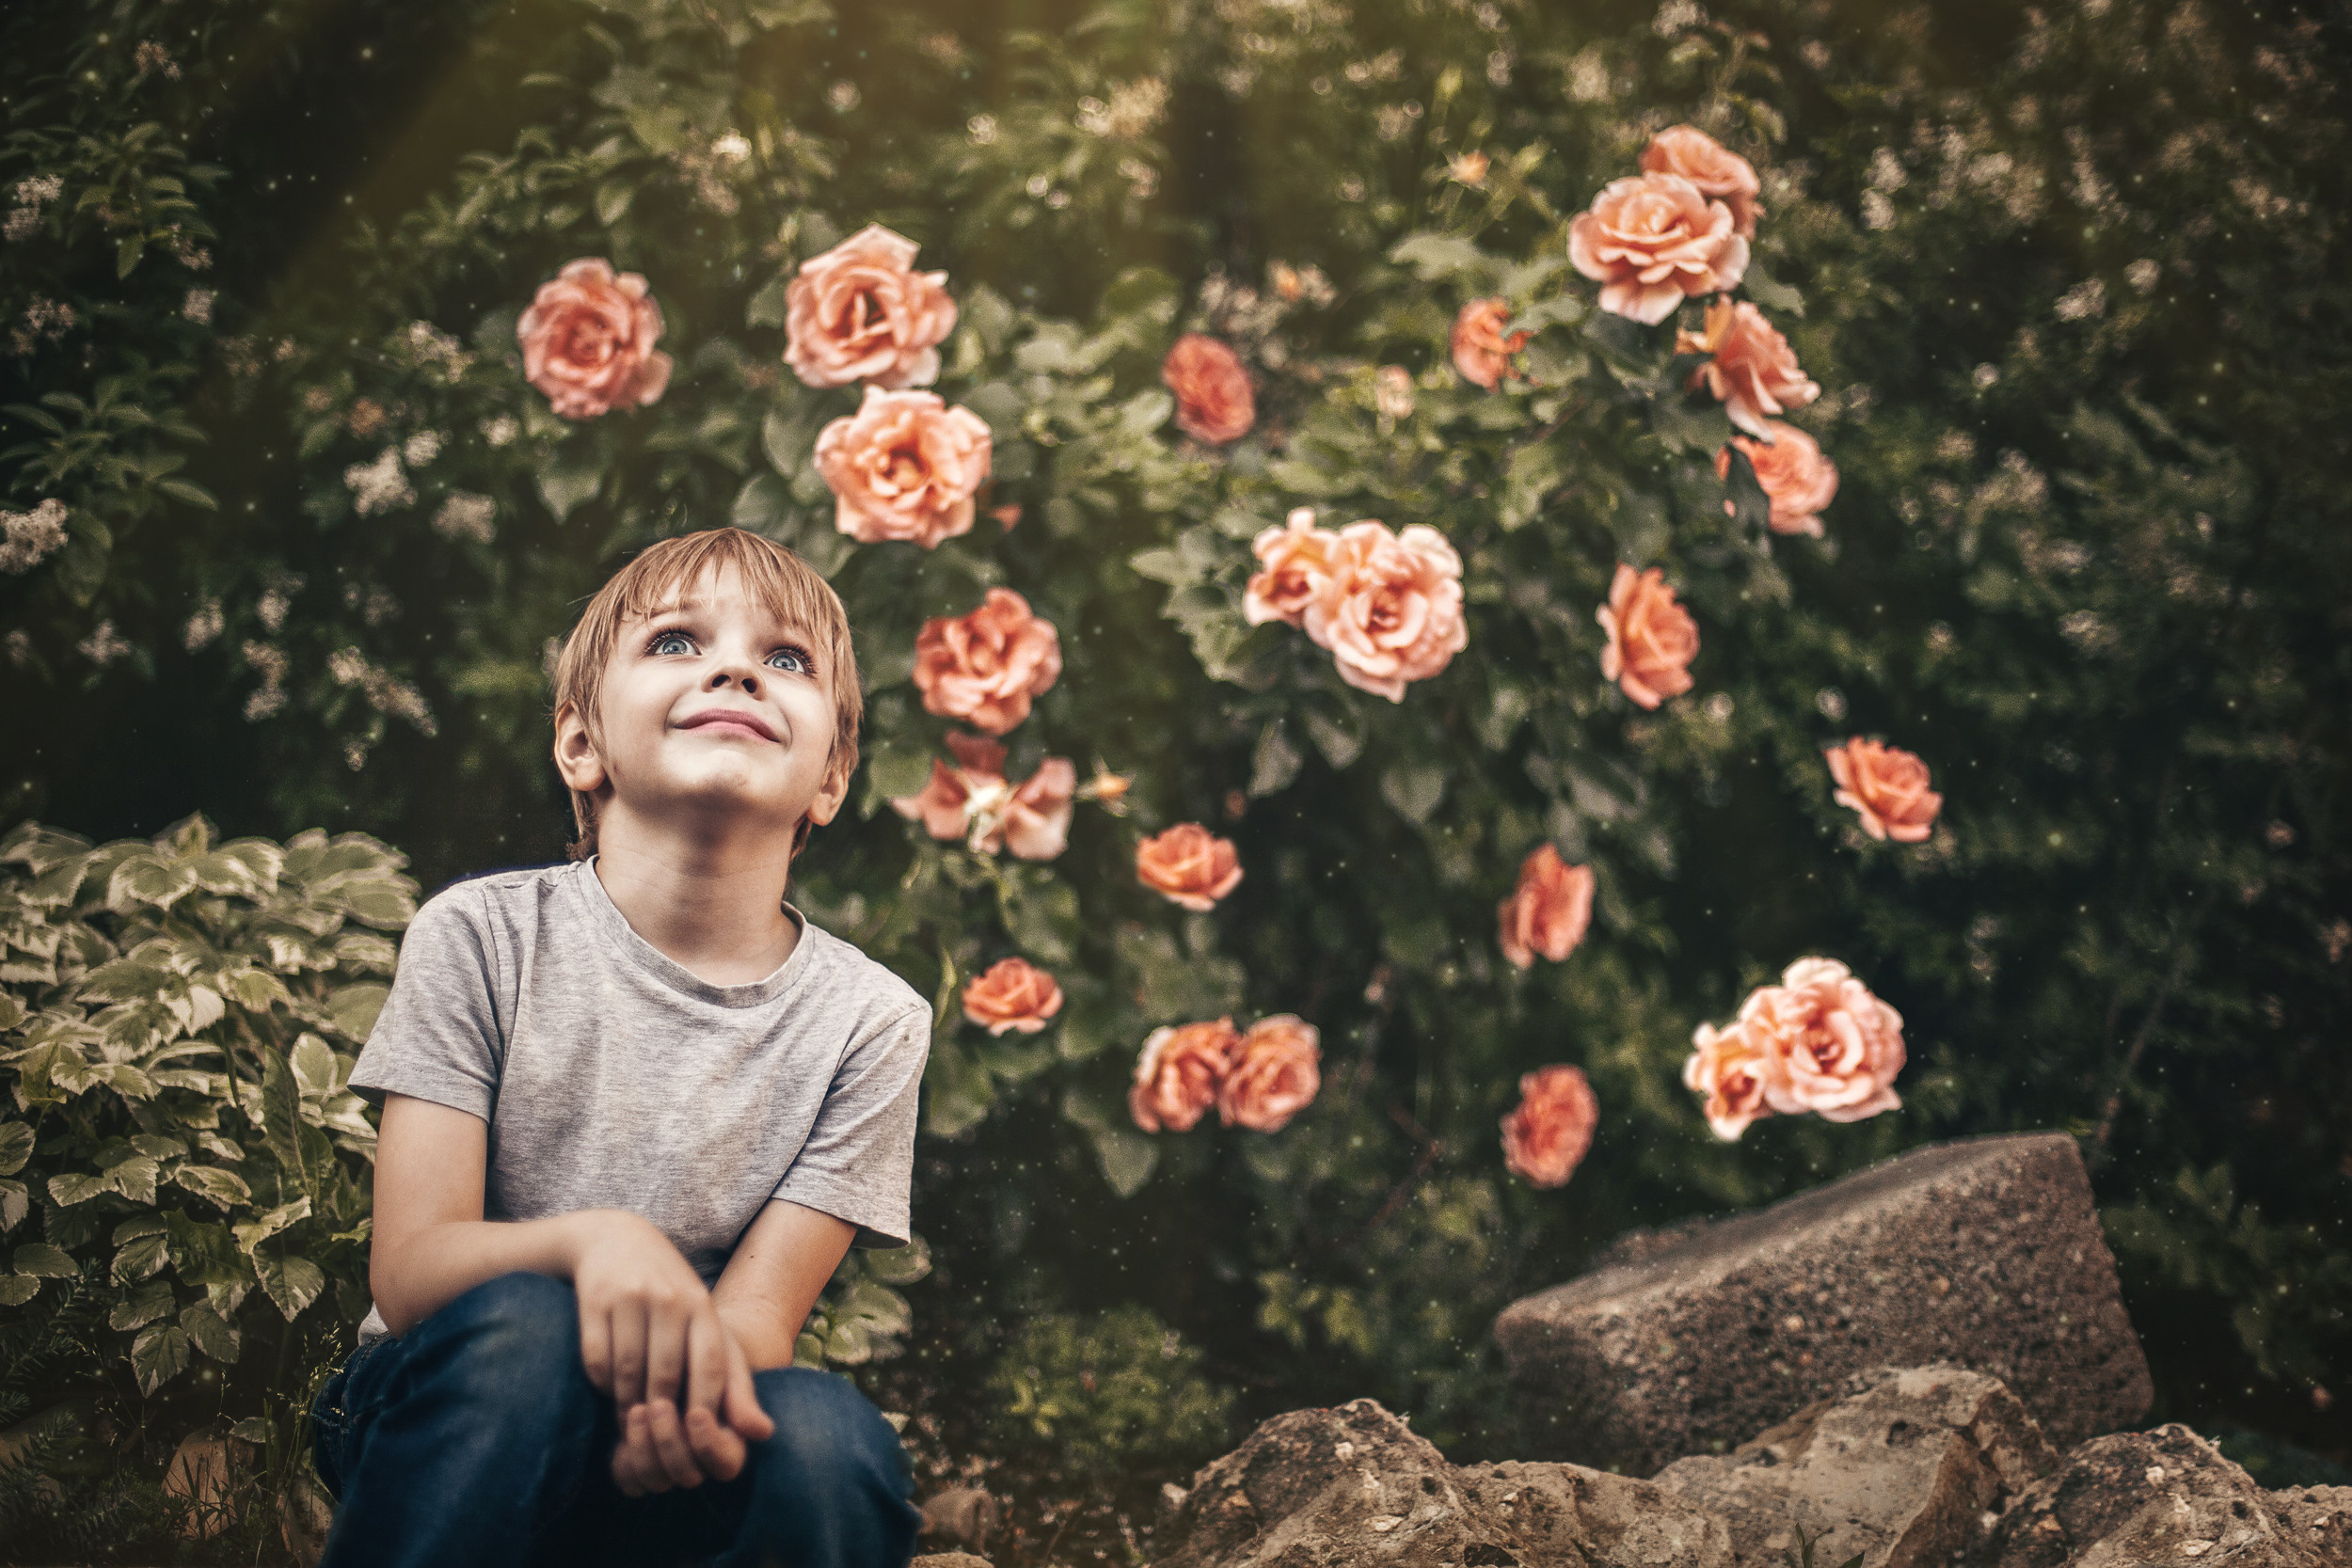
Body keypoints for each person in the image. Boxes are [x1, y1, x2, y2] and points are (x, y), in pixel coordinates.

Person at [310, 528, 930, 1568]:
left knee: (831, 1439)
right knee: (530, 1333)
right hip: (454, 1399)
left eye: (786, 658)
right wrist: (592, 1243)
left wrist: (675, 1405)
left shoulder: (871, 1020)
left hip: (682, 1430)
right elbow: (411, 1271)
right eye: (677, 641)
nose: (736, 669)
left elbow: (758, 1319)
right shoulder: (480, 938)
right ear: (580, 744)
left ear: (830, 777)